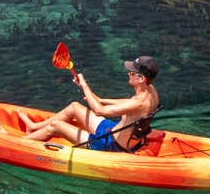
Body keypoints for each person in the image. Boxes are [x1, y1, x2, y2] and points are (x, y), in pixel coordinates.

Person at [21, 56, 161, 153]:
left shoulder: (140, 102)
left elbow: (99, 111)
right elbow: (128, 103)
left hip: (110, 145)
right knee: (74, 107)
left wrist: (84, 85)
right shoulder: (150, 90)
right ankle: (34, 127)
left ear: (141, 78)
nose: (128, 74)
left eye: (131, 73)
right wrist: (100, 99)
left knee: (55, 126)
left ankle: (18, 142)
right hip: (113, 130)